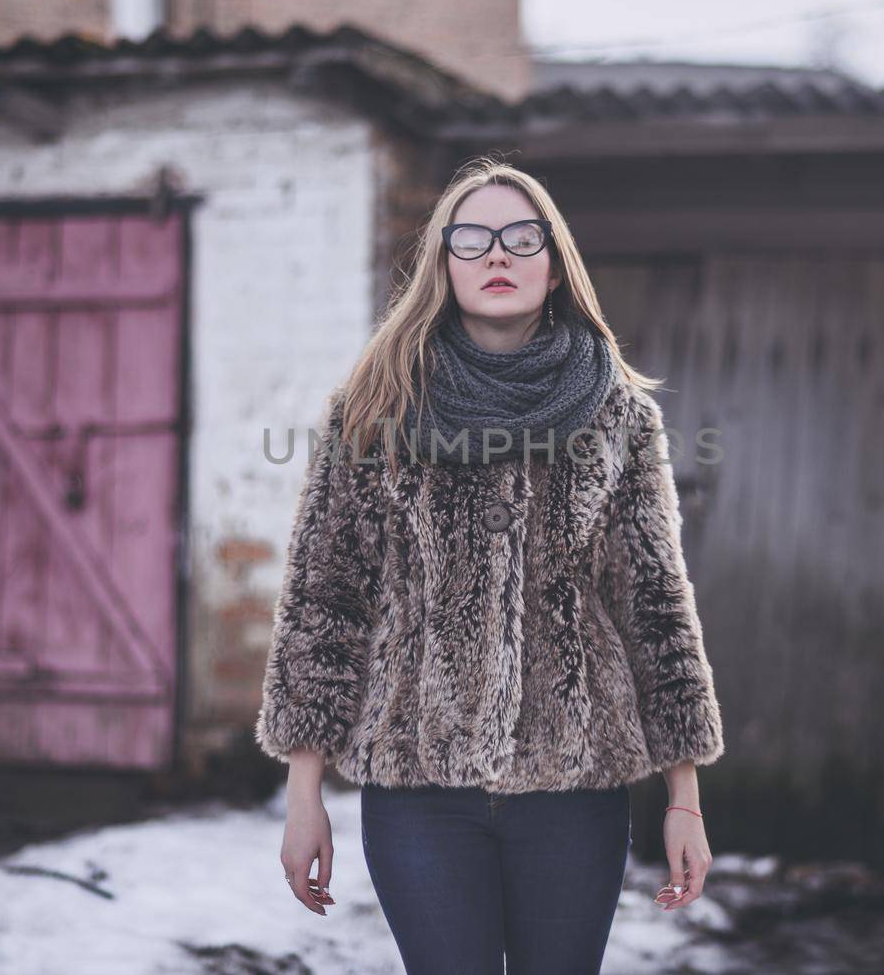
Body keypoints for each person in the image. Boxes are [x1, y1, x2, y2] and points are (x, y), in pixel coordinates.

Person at [254, 156, 725, 975]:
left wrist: (683, 797)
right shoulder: (371, 412)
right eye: (472, 239)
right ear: (442, 264)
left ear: (554, 263)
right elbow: (323, 605)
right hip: (417, 788)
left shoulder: (619, 415)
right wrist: (304, 799)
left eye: (520, 237)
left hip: (576, 787)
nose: (497, 255)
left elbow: (654, 603)